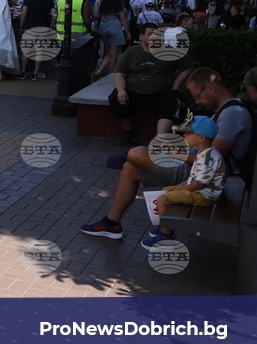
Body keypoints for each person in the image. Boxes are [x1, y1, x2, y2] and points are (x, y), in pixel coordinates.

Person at [82, 67, 252, 241]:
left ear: (209, 88)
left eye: (197, 96)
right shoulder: (226, 110)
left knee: (137, 154)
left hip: (201, 177)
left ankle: (127, 156)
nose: (197, 101)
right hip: (197, 170)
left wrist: (176, 155)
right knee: (131, 168)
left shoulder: (232, 114)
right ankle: (112, 223)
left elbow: (209, 160)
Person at [107, 21, 194, 147]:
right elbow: (120, 74)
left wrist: (176, 85)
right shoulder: (132, 52)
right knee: (115, 99)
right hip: (134, 91)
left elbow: (188, 66)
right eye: (150, 34)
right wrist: (121, 90)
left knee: (170, 100)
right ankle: (129, 132)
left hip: (161, 92)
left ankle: (159, 139)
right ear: (142, 36)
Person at [145, 116, 227, 249]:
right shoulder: (204, 152)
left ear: (201, 138)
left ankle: (166, 238)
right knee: (166, 190)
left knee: (162, 199)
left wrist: (181, 190)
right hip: (200, 192)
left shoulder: (207, 158)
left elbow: (199, 184)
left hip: (204, 196)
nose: (184, 135)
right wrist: (177, 187)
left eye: (188, 133)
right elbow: (193, 178)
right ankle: (166, 226)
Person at [19, 0, 54, 80]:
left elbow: (24, 13)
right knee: (39, 50)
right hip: (44, 26)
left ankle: (23, 73)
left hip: (30, 26)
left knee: (26, 50)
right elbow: (51, 12)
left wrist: (21, 26)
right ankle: (35, 73)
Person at [92, 0, 129, 81]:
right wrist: (127, 32)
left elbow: (96, 15)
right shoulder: (118, 1)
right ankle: (110, 75)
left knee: (107, 52)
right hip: (115, 25)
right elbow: (123, 18)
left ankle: (99, 71)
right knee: (114, 54)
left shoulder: (99, 0)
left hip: (103, 26)